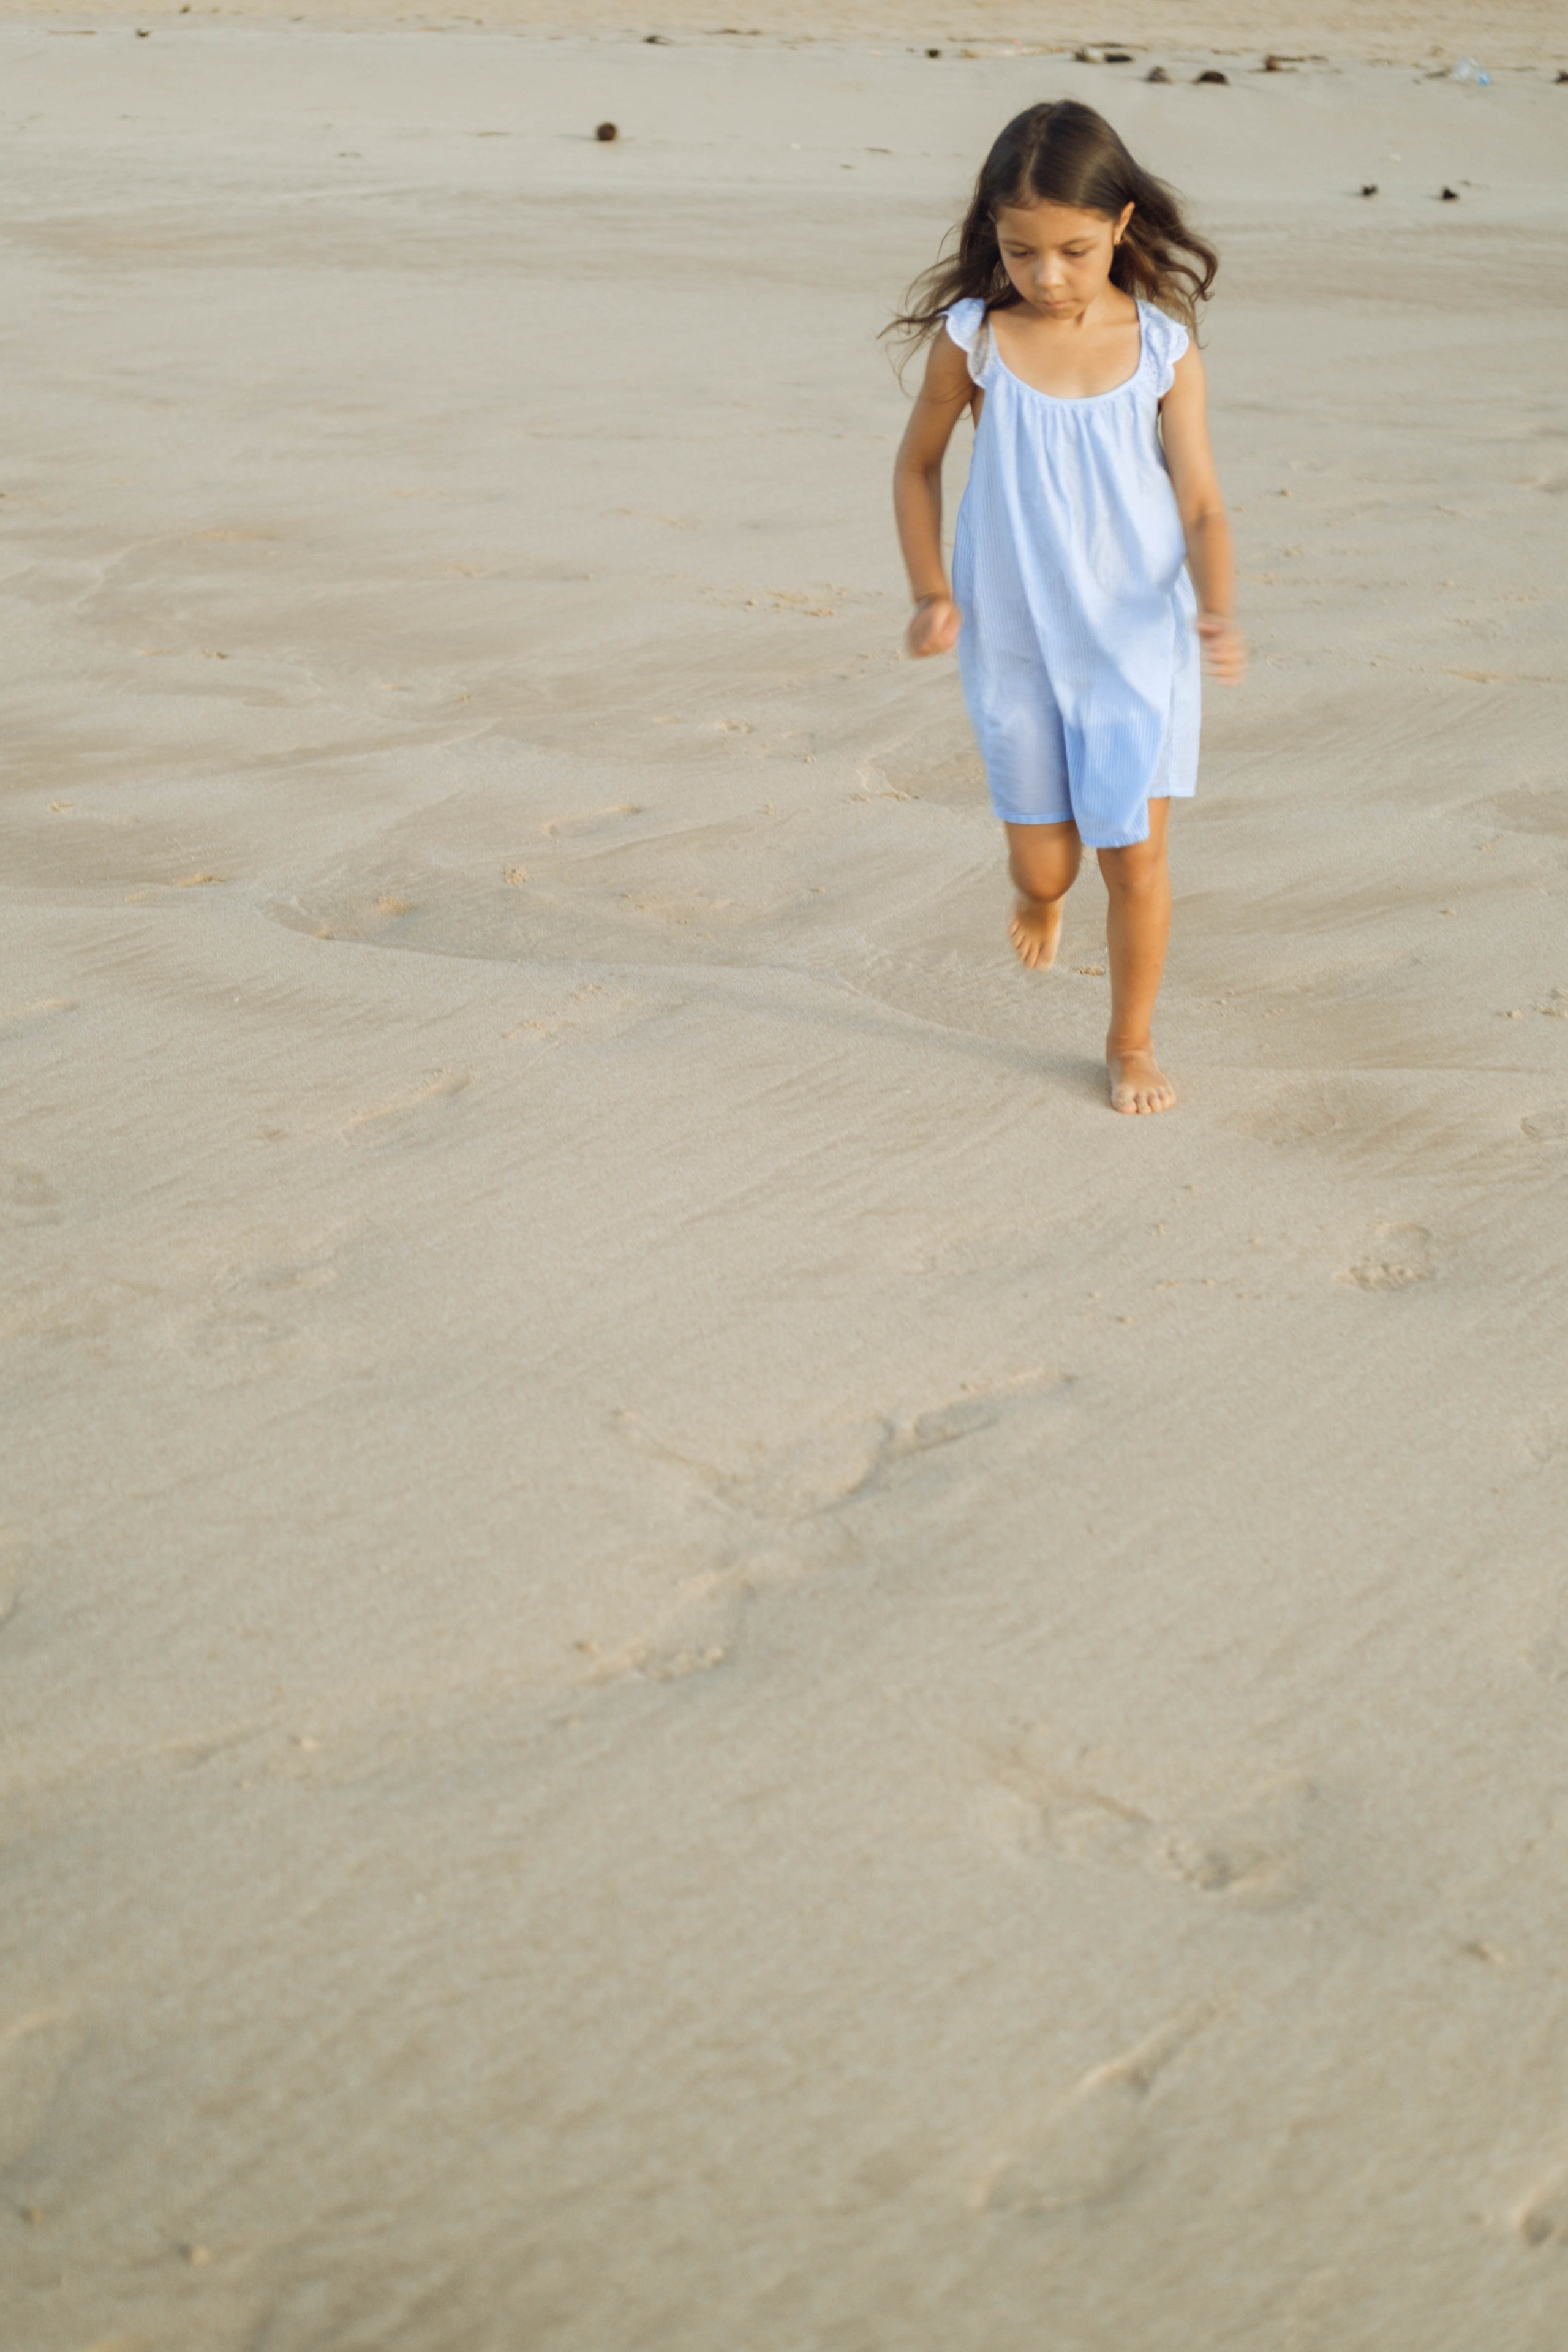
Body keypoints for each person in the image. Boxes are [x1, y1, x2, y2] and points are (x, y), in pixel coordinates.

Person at [889, 99, 1245, 1115]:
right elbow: (916, 468)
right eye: (1022, 252)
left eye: (1076, 252)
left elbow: (1204, 501)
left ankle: (1129, 1043)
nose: (1048, 278)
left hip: (1136, 646)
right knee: (1048, 866)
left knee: (1134, 859)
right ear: (993, 236)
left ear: (1124, 225)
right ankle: (1037, 893)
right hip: (1015, 646)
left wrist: (1217, 609)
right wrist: (930, 592)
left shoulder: (1164, 351)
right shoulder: (976, 339)